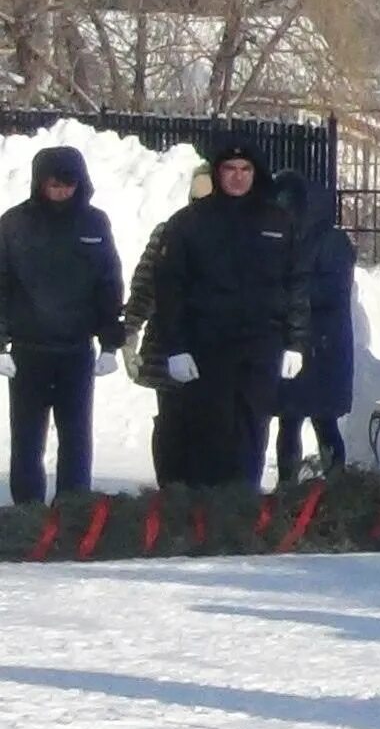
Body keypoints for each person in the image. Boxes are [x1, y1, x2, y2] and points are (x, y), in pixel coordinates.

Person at [154, 142, 308, 486]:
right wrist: (175, 346)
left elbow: (296, 283)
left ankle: (242, 508)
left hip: (261, 345)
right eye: (230, 169)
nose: (238, 177)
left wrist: (296, 341)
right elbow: (170, 288)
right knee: (210, 433)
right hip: (208, 345)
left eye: (245, 169)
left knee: (253, 431)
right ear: (217, 173)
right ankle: (207, 515)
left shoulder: (278, 221)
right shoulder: (190, 223)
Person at [0, 146, 125, 504]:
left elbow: (108, 283)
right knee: (27, 437)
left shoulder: (94, 223)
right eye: (52, 184)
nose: (60, 192)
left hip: (75, 349)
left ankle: (74, 509)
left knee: (76, 434)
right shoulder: (14, 224)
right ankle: (28, 510)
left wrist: (111, 342)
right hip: (28, 349)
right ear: (39, 183)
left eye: (67, 184)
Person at [124, 163, 213, 486]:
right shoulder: (169, 231)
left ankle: (205, 500)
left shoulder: (235, 236)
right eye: (195, 198)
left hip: (216, 349)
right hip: (169, 343)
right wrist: (129, 331)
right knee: (172, 425)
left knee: (210, 427)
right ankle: (171, 495)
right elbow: (146, 285)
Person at [272, 171, 357, 478]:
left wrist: (285, 295)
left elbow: (331, 291)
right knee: (288, 418)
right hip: (294, 341)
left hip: (324, 345)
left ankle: (336, 486)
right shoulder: (284, 239)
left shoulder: (331, 240)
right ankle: (287, 485)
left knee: (324, 420)